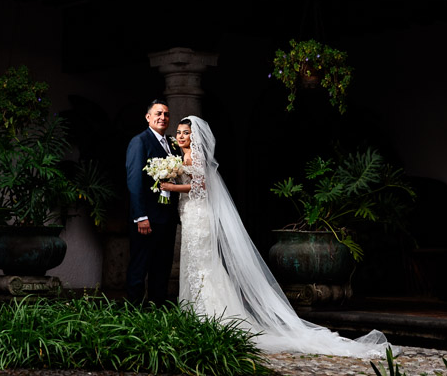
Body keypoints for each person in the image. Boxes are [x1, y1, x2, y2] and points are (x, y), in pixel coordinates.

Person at [160, 116, 391, 357]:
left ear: (194, 136)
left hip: (199, 216)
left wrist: (172, 187)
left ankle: (211, 314)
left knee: (204, 264)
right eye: (178, 132)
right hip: (188, 213)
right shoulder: (181, 158)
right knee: (193, 263)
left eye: (185, 133)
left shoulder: (196, 157)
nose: (180, 136)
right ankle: (195, 314)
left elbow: (201, 186)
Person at [125, 99, 180, 305]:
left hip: (167, 217)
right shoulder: (139, 141)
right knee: (140, 266)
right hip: (146, 218)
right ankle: (134, 314)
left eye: (166, 114)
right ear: (148, 117)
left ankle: (158, 312)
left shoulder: (172, 144)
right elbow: (134, 180)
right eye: (158, 113)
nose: (162, 117)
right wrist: (140, 216)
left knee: (162, 266)